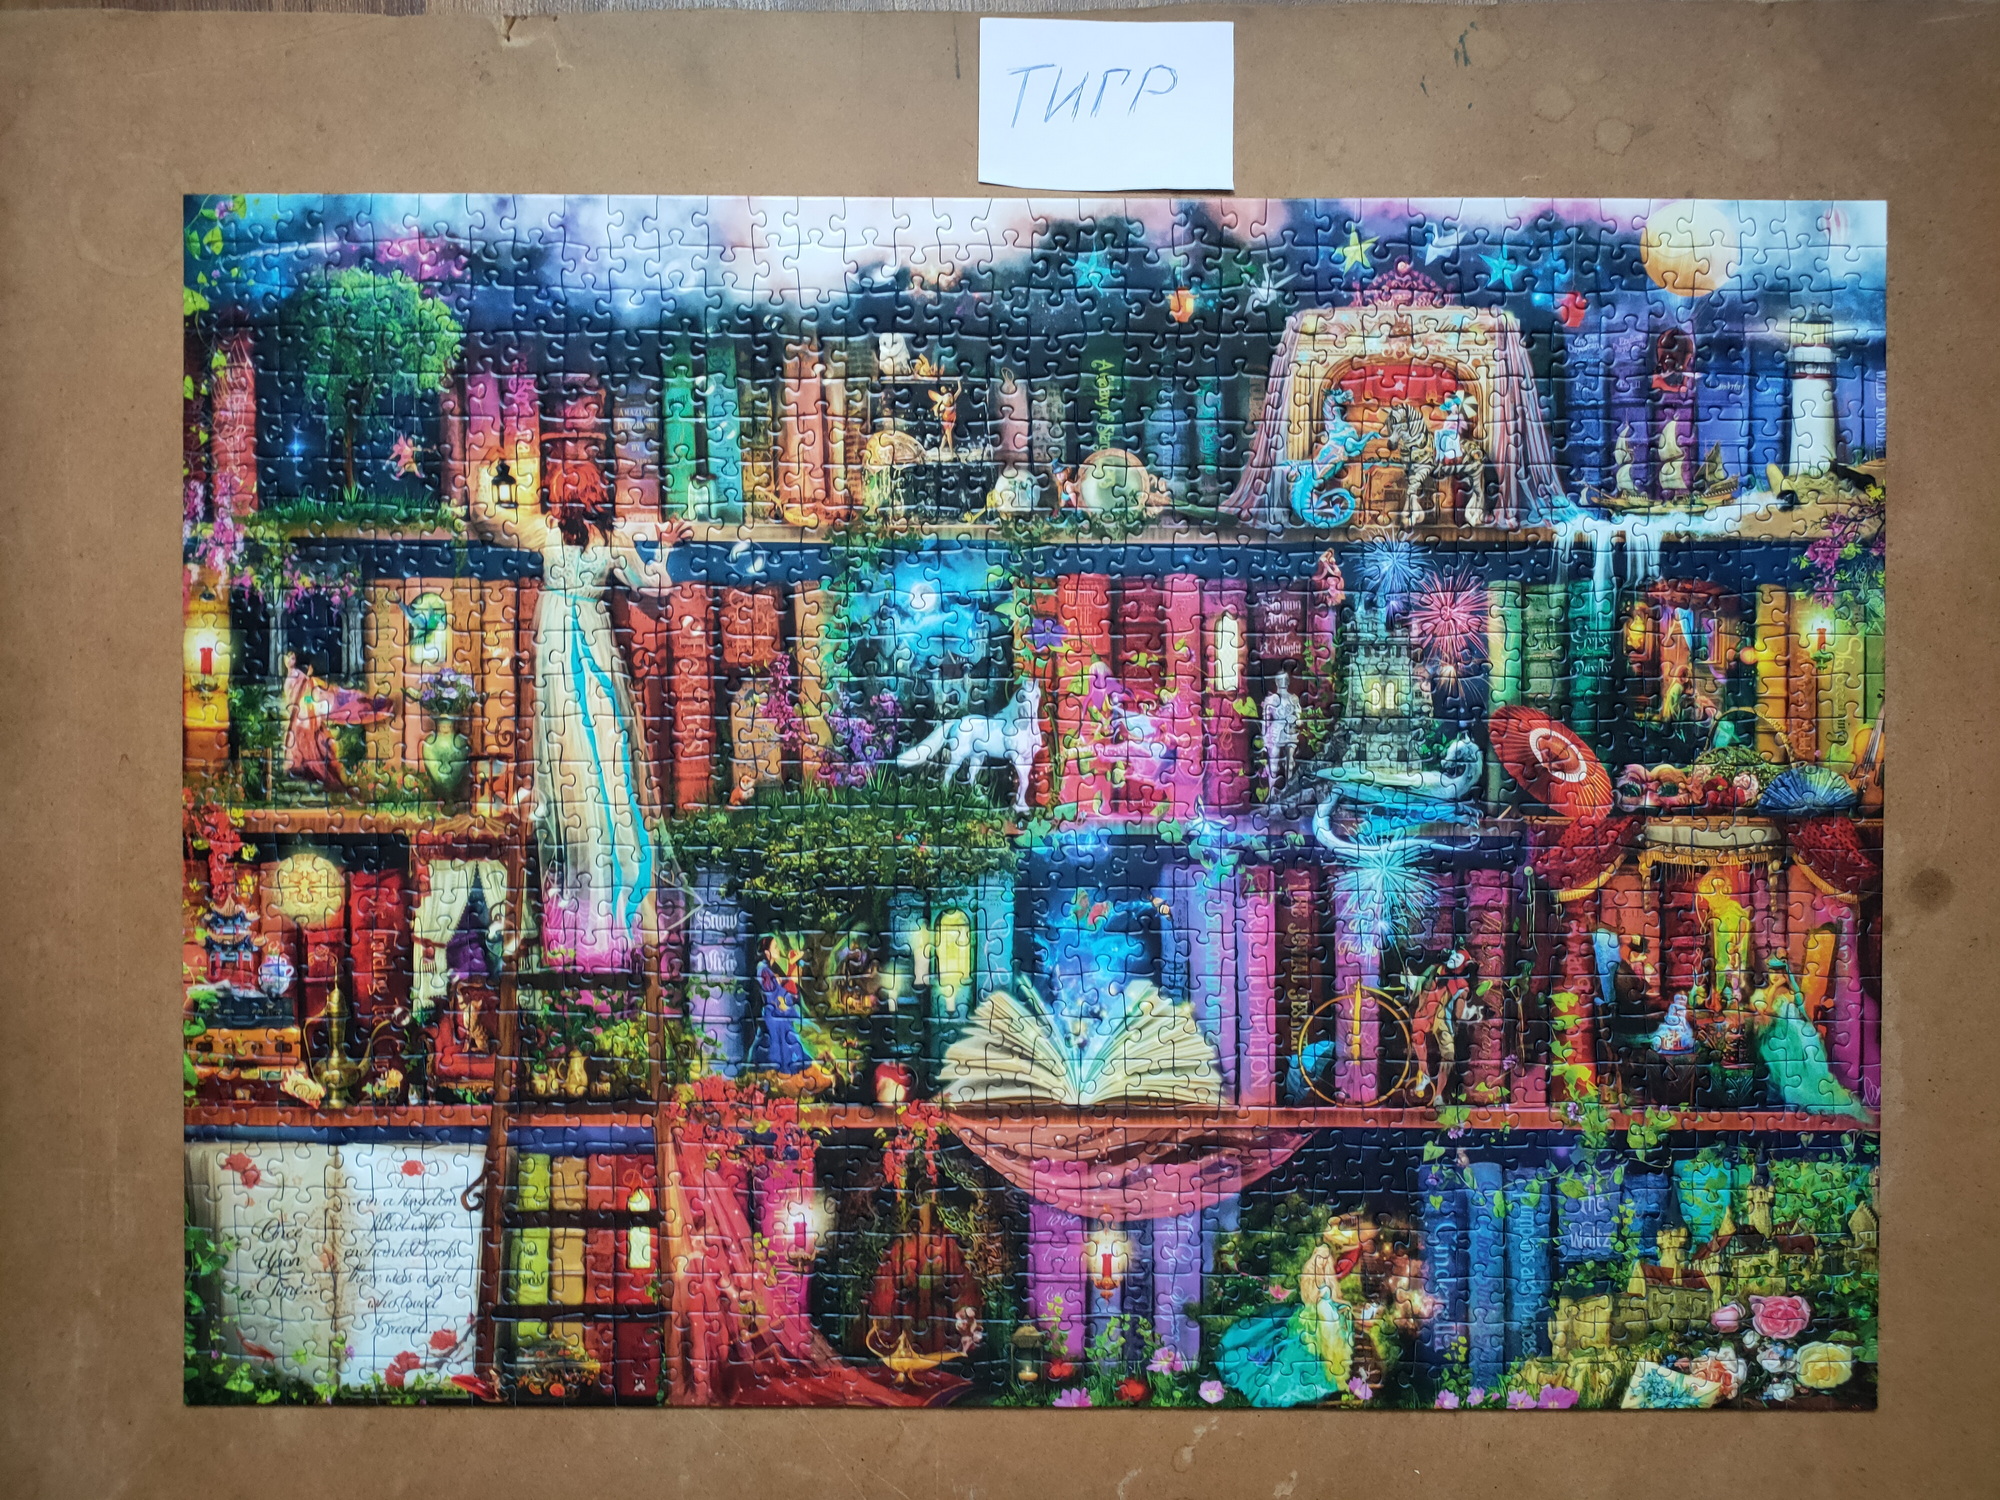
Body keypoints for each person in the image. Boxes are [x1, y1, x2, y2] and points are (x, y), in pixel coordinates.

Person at [468, 398, 689, 970]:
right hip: (583, 652)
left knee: (588, 774)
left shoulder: (549, 533)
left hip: (569, 658)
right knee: (594, 775)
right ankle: (604, 917)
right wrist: (666, 547)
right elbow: (656, 587)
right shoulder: (600, 539)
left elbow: (491, 519)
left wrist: (488, 469)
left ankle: (597, 921)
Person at [281, 651, 393, 789]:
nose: (290, 660)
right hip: (308, 723)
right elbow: (299, 701)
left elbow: (320, 697)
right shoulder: (299, 682)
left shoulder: (309, 682)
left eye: (293, 658)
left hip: (315, 718)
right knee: (317, 753)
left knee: (354, 706)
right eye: (289, 658)